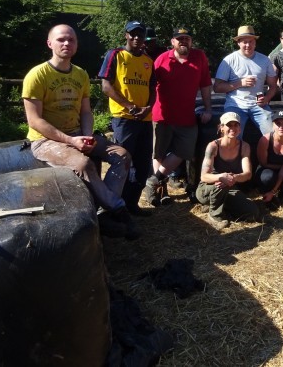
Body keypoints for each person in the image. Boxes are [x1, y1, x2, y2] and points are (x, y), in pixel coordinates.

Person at [22, 24, 136, 239]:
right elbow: (34, 120)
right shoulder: (37, 75)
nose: (66, 43)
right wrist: (71, 141)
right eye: (61, 39)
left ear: (76, 45)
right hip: (45, 141)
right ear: (49, 43)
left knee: (122, 156)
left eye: (71, 40)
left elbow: (85, 111)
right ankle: (118, 209)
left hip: (77, 133)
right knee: (84, 164)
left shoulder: (81, 74)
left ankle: (102, 212)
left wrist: (87, 135)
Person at [145, 26, 213, 206]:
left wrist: (208, 108)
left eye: (187, 38)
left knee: (184, 151)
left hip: (186, 116)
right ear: (172, 42)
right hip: (162, 115)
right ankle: (159, 191)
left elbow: (205, 84)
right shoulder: (161, 60)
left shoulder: (199, 57)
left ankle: (154, 180)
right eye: (179, 38)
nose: (184, 41)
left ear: (191, 41)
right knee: (158, 153)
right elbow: (149, 86)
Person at [98, 20, 155, 216]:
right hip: (124, 118)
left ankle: (132, 204)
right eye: (134, 34)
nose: (137, 38)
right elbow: (106, 86)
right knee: (122, 162)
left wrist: (149, 108)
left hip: (145, 120)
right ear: (126, 35)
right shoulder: (115, 55)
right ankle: (114, 206)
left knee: (143, 163)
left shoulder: (149, 61)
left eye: (141, 34)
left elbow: (152, 89)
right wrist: (129, 106)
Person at [196, 112, 261, 229]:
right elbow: (204, 176)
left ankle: (219, 205)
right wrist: (221, 177)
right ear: (221, 128)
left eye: (236, 125)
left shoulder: (244, 146)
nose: (233, 128)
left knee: (252, 213)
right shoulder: (213, 146)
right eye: (229, 125)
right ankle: (214, 215)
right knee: (223, 184)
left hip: (229, 188)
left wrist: (233, 178)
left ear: (240, 128)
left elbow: (247, 174)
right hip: (208, 188)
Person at [214, 25, 279, 138]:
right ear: (238, 43)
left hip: (258, 106)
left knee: (274, 135)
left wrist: (267, 98)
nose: (248, 45)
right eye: (244, 42)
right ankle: (237, 155)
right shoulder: (229, 60)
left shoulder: (264, 60)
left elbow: (273, 86)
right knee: (231, 136)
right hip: (235, 105)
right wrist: (240, 83)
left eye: (251, 41)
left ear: (255, 42)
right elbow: (217, 87)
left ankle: (266, 155)